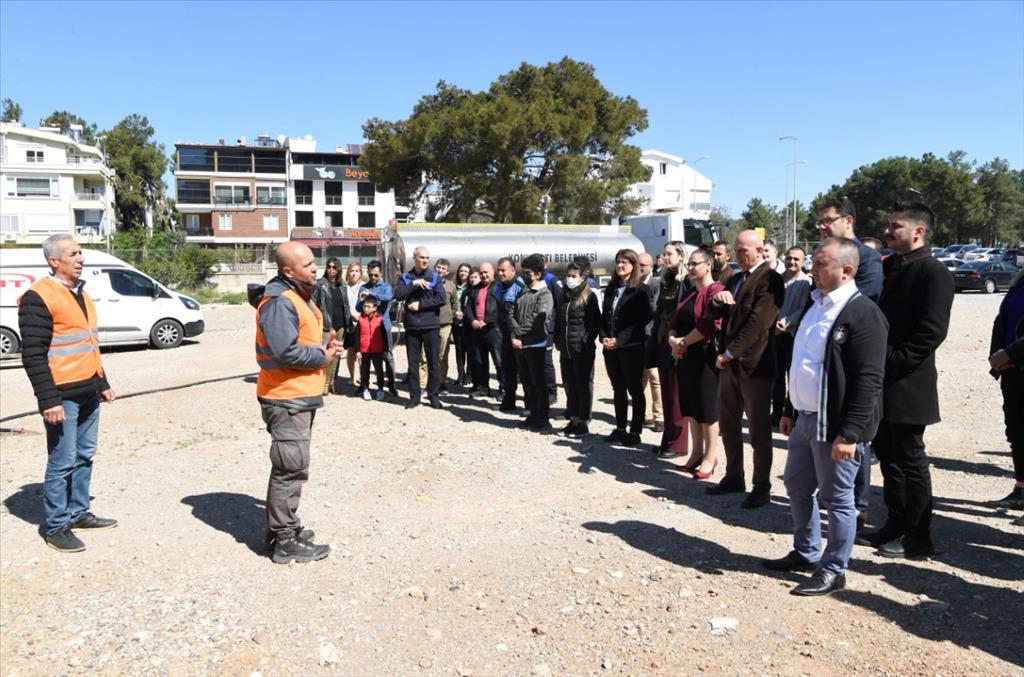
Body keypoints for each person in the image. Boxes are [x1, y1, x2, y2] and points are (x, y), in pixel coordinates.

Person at [762, 237, 888, 596]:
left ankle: (834, 568)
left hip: (834, 425)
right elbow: (802, 361)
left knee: (837, 499)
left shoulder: (863, 314)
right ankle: (806, 552)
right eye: (813, 261)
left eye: (820, 263)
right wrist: (789, 409)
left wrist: (850, 434)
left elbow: (869, 380)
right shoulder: (814, 304)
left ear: (846, 270)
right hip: (804, 418)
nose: (812, 269)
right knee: (796, 486)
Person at [859, 202, 953, 558]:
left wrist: (890, 366)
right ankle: (895, 524)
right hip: (882, 381)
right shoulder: (891, 268)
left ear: (918, 231)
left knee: (910, 459)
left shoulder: (933, 272)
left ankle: (918, 535)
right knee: (888, 456)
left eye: (895, 226)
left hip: (909, 383)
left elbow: (930, 333)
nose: (887, 231)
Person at [18, 234, 117, 552]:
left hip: (89, 390)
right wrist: (48, 400)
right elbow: (33, 355)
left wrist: (102, 383)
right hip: (62, 397)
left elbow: (88, 343)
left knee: (84, 455)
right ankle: (57, 526)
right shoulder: (38, 297)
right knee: (62, 461)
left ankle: (78, 512)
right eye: (73, 254)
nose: (80, 258)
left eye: (80, 252)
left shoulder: (80, 293)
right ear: (53, 261)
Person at [252, 241, 337, 564]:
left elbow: (298, 339)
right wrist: (321, 356)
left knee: (293, 465)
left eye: (314, 262)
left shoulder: (297, 295)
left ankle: (283, 528)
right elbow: (284, 351)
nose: (315, 268)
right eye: (308, 265)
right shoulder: (280, 302)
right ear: (288, 271)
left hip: (297, 395)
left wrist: (323, 347)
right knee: (291, 467)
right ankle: (284, 540)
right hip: (286, 398)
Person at [815, 198, 885, 528]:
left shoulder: (866, 258)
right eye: (819, 222)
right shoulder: (825, 257)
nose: (822, 226)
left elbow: (861, 301)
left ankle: (858, 503)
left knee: (853, 432)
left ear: (848, 221)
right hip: (824, 358)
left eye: (828, 220)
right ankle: (833, 492)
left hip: (850, 349)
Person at [707, 230, 785, 508]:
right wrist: (717, 301)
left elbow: (758, 324)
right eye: (736, 250)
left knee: (758, 430)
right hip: (729, 366)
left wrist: (729, 353)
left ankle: (761, 486)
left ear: (760, 250)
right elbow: (720, 314)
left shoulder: (770, 279)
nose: (739, 255)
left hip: (755, 366)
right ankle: (734, 476)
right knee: (728, 425)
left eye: (744, 250)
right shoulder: (735, 278)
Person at [668, 248, 725, 479]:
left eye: (695, 264)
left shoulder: (716, 291)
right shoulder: (689, 292)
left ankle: (710, 458)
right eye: (689, 264)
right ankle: (696, 454)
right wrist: (673, 340)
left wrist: (683, 342)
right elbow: (674, 321)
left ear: (708, 265)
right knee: (691, 409)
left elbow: (709, 325)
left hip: (705, 358)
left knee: (707, 410)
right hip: (685, 357)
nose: (690, 268)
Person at [601, 249, 652, 447]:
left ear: (633, 265)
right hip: (611, 348)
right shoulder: (611, 288)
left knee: (635, 390)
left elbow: (640, 321)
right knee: (618, 388)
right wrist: (604, 337)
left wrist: (620, 340)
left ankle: (635, 431)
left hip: (631, 348)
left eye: (625, 262)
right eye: (618, 262)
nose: (620, 265)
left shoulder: (641, 290)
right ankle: (620, 427)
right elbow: (605, 316)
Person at [649, 241, 692, 460]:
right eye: (663, 254)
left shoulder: (687, 280)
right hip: (662, 341)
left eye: (669, 254)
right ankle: (667, 439)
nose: (665, 257)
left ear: (681, 256)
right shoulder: (665, 280)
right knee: (666, 394)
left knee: (676, 395)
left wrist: (681, 342)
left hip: (677, 342)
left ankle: (679, 444)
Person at [988, 270, 1024, 520]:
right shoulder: (1019, 282)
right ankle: (1021, 490)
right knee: (1017, 433)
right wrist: (997, 355)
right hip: (1013, 371)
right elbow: (1001, 320)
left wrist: (1010, 354)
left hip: (1016, 361)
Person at [394, 246, 448, 410]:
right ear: (414, 258)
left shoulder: (434, 277)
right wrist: (413, 284)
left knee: (433, 363)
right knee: (413, 364)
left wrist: (421, 305)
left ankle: (433, 395)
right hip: (412, 327)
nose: (425, 260)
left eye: (427, 258)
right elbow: (398, 295)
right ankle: (414, 397)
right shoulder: (405, 277)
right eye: (421, 257)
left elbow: (441, 299)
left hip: (431, 325)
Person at [555, 259, 601, 437]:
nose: (570, 279)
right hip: (566, 349)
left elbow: (594, 324)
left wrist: (585, 341)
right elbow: (559, 321)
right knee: (570, 385)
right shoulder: (563, 296)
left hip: (582, 350)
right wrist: (558, 340)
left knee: (583, 385)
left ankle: (583, 421)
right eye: (568, 275)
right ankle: (573, 419)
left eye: (573, 276)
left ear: (583, 277)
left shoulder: (589, 296)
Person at [510, 254, 555, 431]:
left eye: (528, 273)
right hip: (522, 344)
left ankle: (543, 418)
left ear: (537, 274)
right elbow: (511, 313)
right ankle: (533, 414)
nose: (525, 275)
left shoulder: (544, 294)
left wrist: (519, 333)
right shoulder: (523, 291)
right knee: (527, 383)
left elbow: (537, 319)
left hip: (536, 344)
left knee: (539, 384)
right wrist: (515, 333)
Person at [771, 247, 812, 427]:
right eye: (789, 258)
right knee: (777, 376)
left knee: (793, 376)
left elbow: (803, 308)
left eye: (796, 259)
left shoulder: (806, 282)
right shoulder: (777, 280)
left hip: (792, 335)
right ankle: (776, 413)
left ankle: (792, 413)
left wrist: (785, 324)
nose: (792, 262)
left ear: (803, 262)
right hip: (774, 334)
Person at [357, 260, 397, 396]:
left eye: (376, 275)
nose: (373, 277)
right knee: (366, 356)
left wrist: (371, 294)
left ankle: (391, 384)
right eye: (370, 275)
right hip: (367, 328)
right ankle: (364, 385)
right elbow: (358, 307)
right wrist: (362, 300)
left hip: (383, 326)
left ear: (381, 273)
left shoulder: (386, 286)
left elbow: (388, 298)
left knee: (387, 355)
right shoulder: (363, 287)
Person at [494, 257, 527, 412]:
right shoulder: (499, 287)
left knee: (525, 371)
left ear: (513, 270)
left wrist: (518, 335)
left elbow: (523, 313)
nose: (500, 273)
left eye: (503, 270)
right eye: (498, 270)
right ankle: (509, 401)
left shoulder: (520, 286)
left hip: (519, 335)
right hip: (505, 335)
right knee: (508, 369)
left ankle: (530, 405)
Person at [311, 257, 348, 395]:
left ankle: (333, 381)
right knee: (326, 354)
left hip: (341, 324)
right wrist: (318, 321)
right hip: (327, 325)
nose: (331, 270)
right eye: (329, 267)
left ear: (339, 269)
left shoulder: (342, 285)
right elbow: (313, 303)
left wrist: (349, 321)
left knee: (337, 354)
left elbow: (345, 305)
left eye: (334, 267)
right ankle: (325, 383)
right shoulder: (320, 284)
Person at [421, 258, 458, 393]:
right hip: (428, 323)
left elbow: (454, 303)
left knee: (442, 356)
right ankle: (423, 384)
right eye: (438, 267)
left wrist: (449, 315)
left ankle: (440, 383)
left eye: (443, 268)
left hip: (445, 325)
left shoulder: (451, 286)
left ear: (447, 271)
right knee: (424, 356)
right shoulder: (426, 282)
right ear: (434, 268)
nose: (440, 270)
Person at [638, 252, 664, 435]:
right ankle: (643, 414)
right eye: (638, 265)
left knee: (655, 378)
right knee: (640, 378)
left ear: (651, 267)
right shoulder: (631, 284)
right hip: (635, 338)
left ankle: (659, 416)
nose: (640, 268)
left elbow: (654, 309)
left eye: (643, 265)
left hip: (651, 336)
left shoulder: (656, 284)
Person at [355, 295, 387, 401]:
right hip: (364, 350)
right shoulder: (360, 320)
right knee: (365, 371)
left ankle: (380, 389)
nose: (366, 308)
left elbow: (384, 335)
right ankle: (366, 389)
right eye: (364, 306)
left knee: (379, 370)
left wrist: (385, 349)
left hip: (377, 349)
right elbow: (356, 336)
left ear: (374, 308)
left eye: (368, 307)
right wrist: (357, 350)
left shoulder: (379, 319)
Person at [539, 258, 562, 406]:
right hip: (535, 329)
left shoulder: (551, 280)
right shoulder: (533, 279)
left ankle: (551, 393)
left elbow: (560, 303)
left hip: (548, 328)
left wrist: (556, 326)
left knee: (546, 361)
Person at [342, 261, 364, 389]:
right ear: (348, 273)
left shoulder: (364, 286)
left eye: (356, 271)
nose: (354, 273)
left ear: (360, 273)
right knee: (350, 351)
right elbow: (344, 305)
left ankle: (362, 377)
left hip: (362, 323)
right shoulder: (344, 288)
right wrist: (351, 314)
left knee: (361, 352)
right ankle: (352, 377)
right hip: (350, 323)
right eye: (352, 271)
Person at [452, 263, 473, 387]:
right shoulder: (454, 287)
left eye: (466, 271)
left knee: (470, 349)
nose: (463, 273)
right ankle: (460, 375)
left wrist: (465, 314)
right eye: (461, 271)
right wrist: (455, 313)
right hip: (456, 323)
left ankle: (469, 376)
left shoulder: (472, 288)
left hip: (468, 323)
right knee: (459, 350)